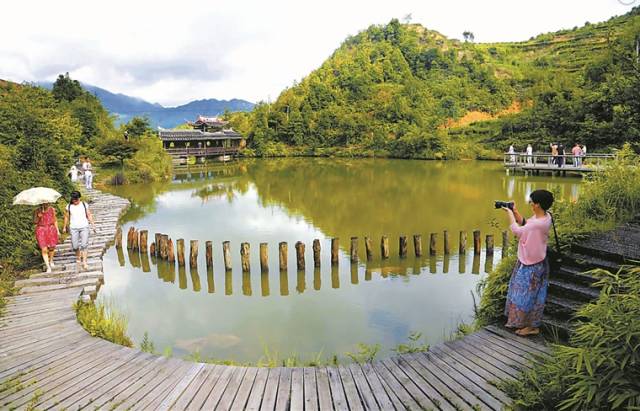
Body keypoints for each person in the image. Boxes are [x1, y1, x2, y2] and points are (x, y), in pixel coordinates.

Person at [501, 189, 554, 336]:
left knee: (525, 296)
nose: (530, 203)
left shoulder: (538, 223)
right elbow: (526, 224)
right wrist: (516, 211)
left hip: (532, 264)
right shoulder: (546, 217)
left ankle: (531, 327)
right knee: (530, 295)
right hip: (534, 260)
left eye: (531, 201)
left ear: (537, 205)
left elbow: (518, 231)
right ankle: (527, 324)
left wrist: (510, 215)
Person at [62, 191, 96, 270]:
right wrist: (64, 227)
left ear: (79, 198)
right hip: (73, 228)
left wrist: (93, 225)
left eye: (77, 199)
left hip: (84, 227)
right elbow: (66, 217)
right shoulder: (69, 206)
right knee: (75, 246)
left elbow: (89, 215)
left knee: (84, 245)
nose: (75, 201)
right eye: (74, 199)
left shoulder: (84, 205)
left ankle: (84, 261)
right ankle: (78, 256)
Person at [34, 203, 60, 273]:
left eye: (47, 203)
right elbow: (35, 222)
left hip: (51, 229)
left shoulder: (52, 209)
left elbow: (55, 220)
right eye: (44, 203)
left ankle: (51, 260)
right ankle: (48, 266)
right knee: (44, 249)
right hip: (41, 230)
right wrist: (39, 216)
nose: (46, 204)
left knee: (52, 247)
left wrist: (57, 231)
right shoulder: (37, 210)